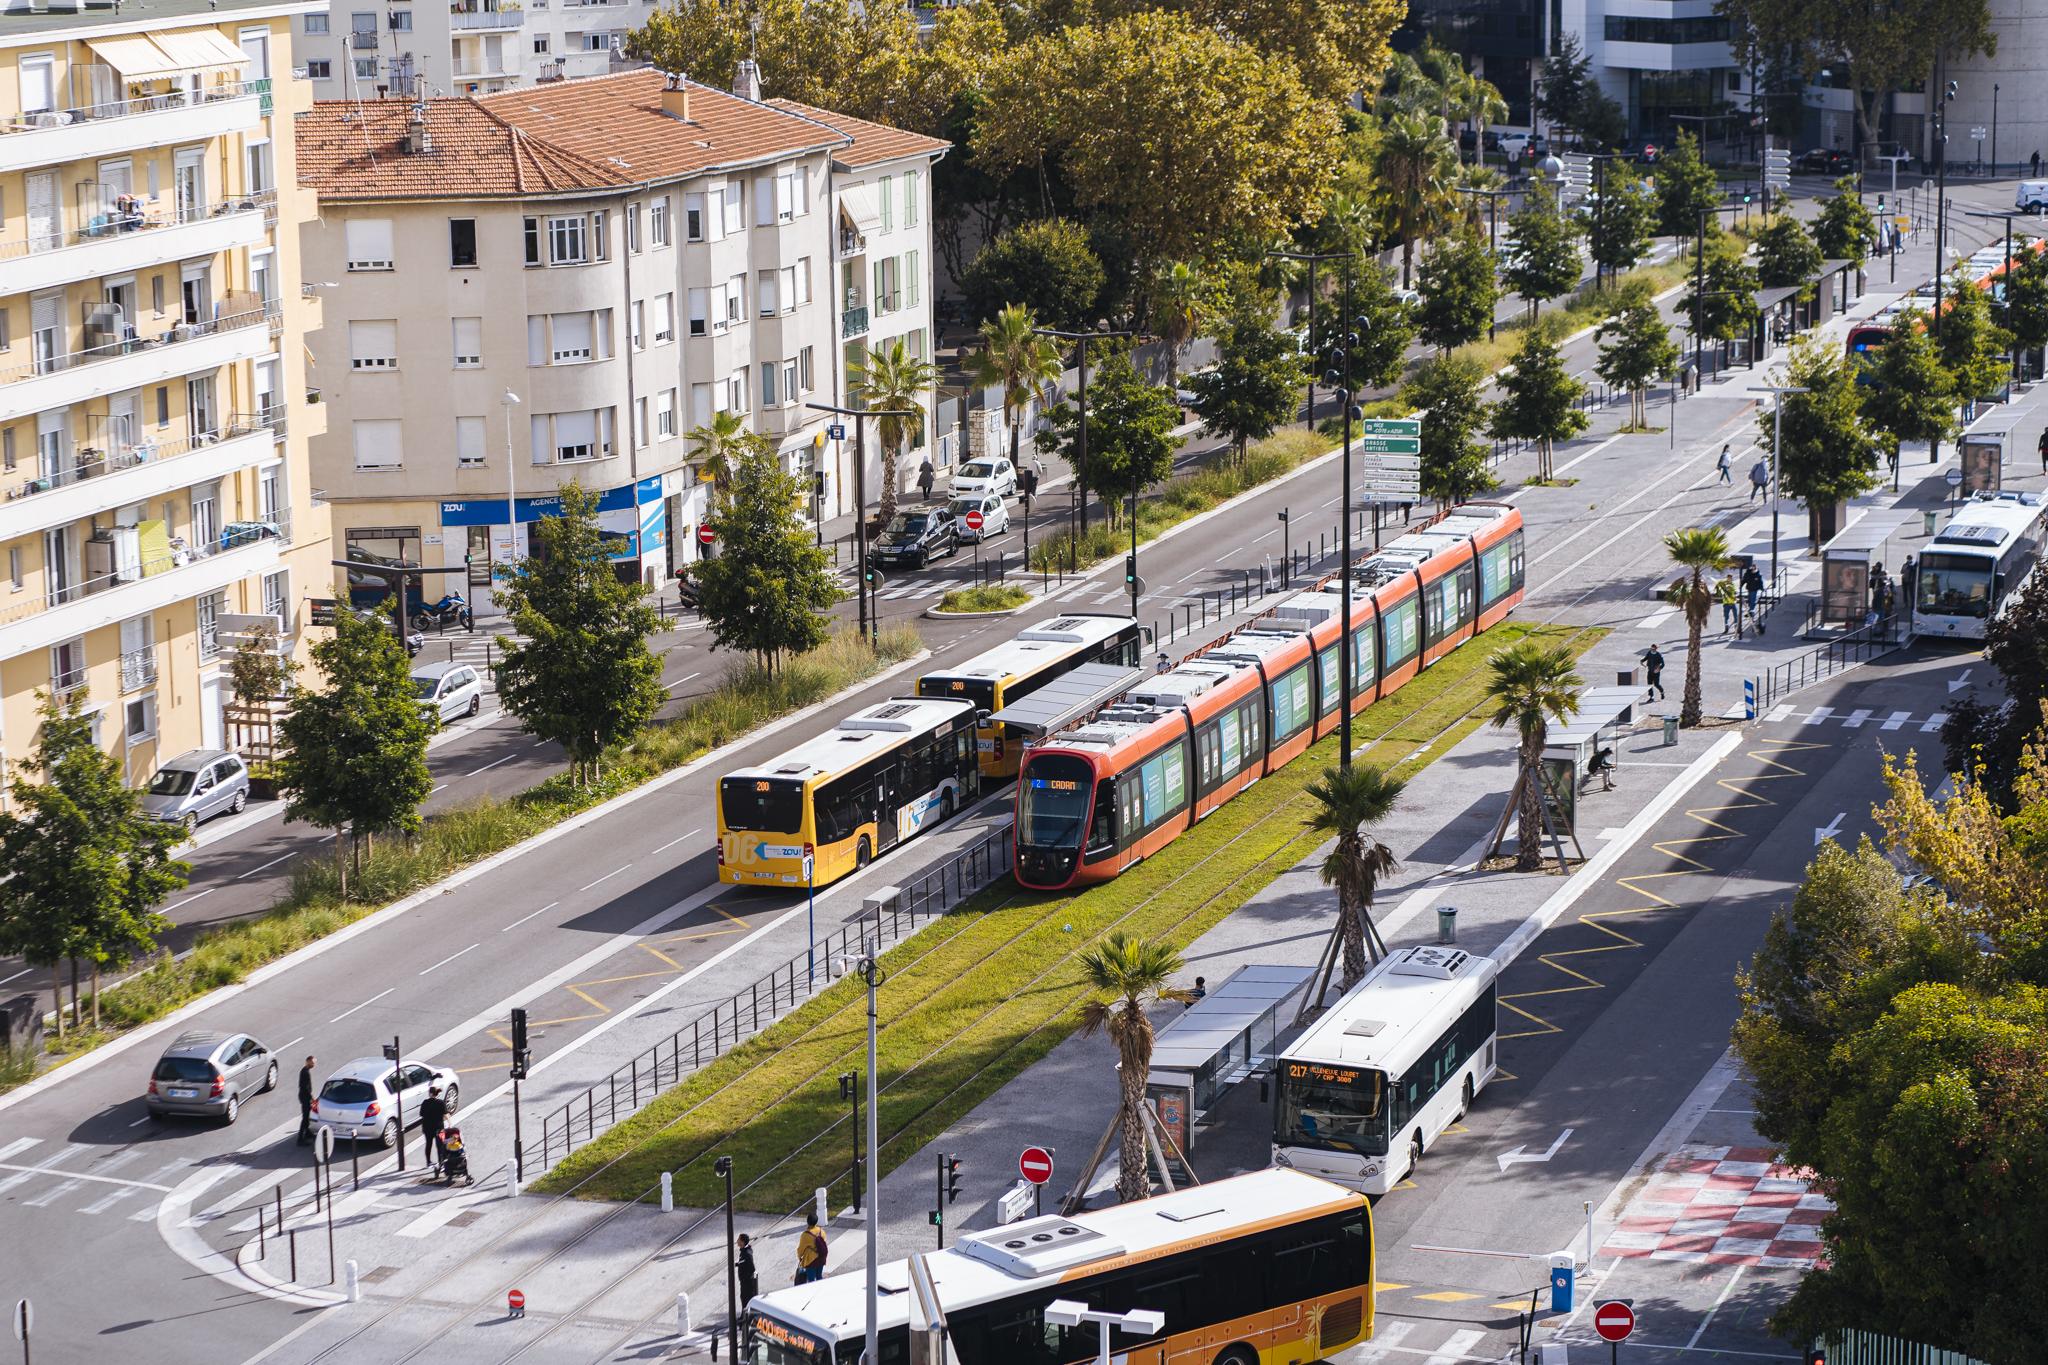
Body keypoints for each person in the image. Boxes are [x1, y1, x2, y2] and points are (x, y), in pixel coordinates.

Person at [417, 1084, 449, 1175]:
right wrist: (450, 1123)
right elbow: (446, 1114)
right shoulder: (440, 1102)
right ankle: (441, 1163)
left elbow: (421, 1114)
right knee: (440, 1146)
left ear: (430, 1093)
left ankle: (428, 1162)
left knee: (429, 1144)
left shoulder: (425, 1102)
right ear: (436, 1093)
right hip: (439, 1128)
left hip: (427, 1127)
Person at [796, 1211, 828, 1283]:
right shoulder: (821, 1231)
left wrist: (800, 1258)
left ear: (807, 1222)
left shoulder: (805, 1235)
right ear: (816, 1222)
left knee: (811, 1280)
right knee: (819, 1276)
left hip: (811, 1261)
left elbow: (800, 1249)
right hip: (821, 1258)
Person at [297, 1056, 317, 1145]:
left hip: (304, 1096)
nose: (314, 1064)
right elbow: (305, 1088)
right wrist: (311, 1098)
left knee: (307, 1116)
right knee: (305, 1118)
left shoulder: (305, 1071)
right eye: (312, 1062)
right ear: (308, 1062)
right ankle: (300, 1139)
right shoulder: (305, 1072)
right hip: (305, 1097)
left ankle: (308, 1133)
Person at [736, 1233, 759, 1307]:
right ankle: (744, 1315)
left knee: (746, 1298)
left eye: (738, 1240)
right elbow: (744, 1262)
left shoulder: (746, 1253)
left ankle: (746, 1316)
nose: (737, 1241)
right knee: (743, 1298)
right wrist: (738, 1264)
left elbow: (752, 1268)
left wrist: (745, 1277)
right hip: (744, 1281)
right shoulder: (744, 1251)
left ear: (742, 1242)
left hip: (747, 1282)